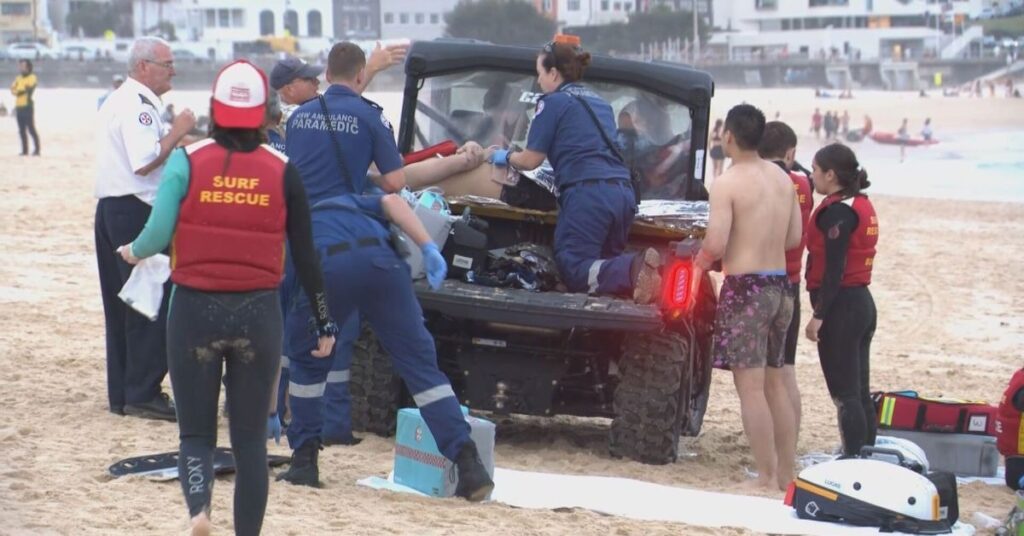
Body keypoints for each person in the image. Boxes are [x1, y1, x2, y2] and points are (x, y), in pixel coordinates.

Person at [118, 60, 338, 535]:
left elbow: (156, 235)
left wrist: (132, 252)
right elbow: (306, 254)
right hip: (258, 313)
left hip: (195, 309)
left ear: (215, 110)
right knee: (250, 443)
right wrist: (323, 321)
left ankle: (199, 511)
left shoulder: (188, 160)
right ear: (264, 114)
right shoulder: (283, 170)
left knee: (196, 433)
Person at [276, 190, 495, 502]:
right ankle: (469, 463)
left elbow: (284, 325)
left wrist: (275, 404)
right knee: (422, 368)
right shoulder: (348, 201)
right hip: (385, 265)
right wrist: (428, 247)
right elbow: (394, 202)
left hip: (328, 268)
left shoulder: (291, 229)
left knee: (307, 361)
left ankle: (304, 461)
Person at [494, 36, 662, 304]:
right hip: (622, 194)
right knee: (602, 271)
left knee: (574, 270)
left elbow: (530, 160)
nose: (538, 81)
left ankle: (634, 268)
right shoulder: (600, 103)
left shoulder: (551, 103)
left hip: (588, 195)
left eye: (540, 73)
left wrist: (502, 155)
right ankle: (636, 279)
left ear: (553, 72)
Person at [695, 104, 802, 491]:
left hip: (747, 288)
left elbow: (716, 242)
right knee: (776, 384)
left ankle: (765, 477)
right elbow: (793, 238)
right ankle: (786, 476)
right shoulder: (782, 179)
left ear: (729, 137)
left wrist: (699, 263)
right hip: (781, 286)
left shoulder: (728, 182)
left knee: (752, 389)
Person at [94, 36, 196, 420]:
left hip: (111, 207)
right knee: (149, 300)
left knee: (120, 303)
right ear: (143, 67)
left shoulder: (117, 100)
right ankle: (143, 391)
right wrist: (180, 129)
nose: (173, 70)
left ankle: (123, 392)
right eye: (167, 64)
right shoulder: (138, 106)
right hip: (135, 208)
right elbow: (145, 160)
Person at [804, 143, 879, 459]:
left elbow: (834, 269)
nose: (812, 176)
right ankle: (864, 452)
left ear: (831, 174)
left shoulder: (838, 211)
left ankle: (853, 458)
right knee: (859, 391)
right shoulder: (859, 201)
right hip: (861, 303)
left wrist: (819, 315)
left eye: (816, 170)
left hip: (843, 308)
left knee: (845, 394)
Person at [757, 120, 812, 444]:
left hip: (760, 281)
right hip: (791, 281)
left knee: (764, 376)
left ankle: (775, 443)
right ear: (789, 152)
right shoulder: (802, 185)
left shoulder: (759, 181)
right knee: (786, 369)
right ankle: (790, 441)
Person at [10, 59, 40, 156]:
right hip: (19, 106)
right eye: (20, 66)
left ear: (28, 67)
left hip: (28, 106)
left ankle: (37, 149)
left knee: (31, 128)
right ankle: (24, 150)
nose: (21, 68)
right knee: (21, 130)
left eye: (23, 66)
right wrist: (19, 90)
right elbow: (13, 89)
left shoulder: (32, 77)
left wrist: (19, 90)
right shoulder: (18, 78)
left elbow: (28, 88)